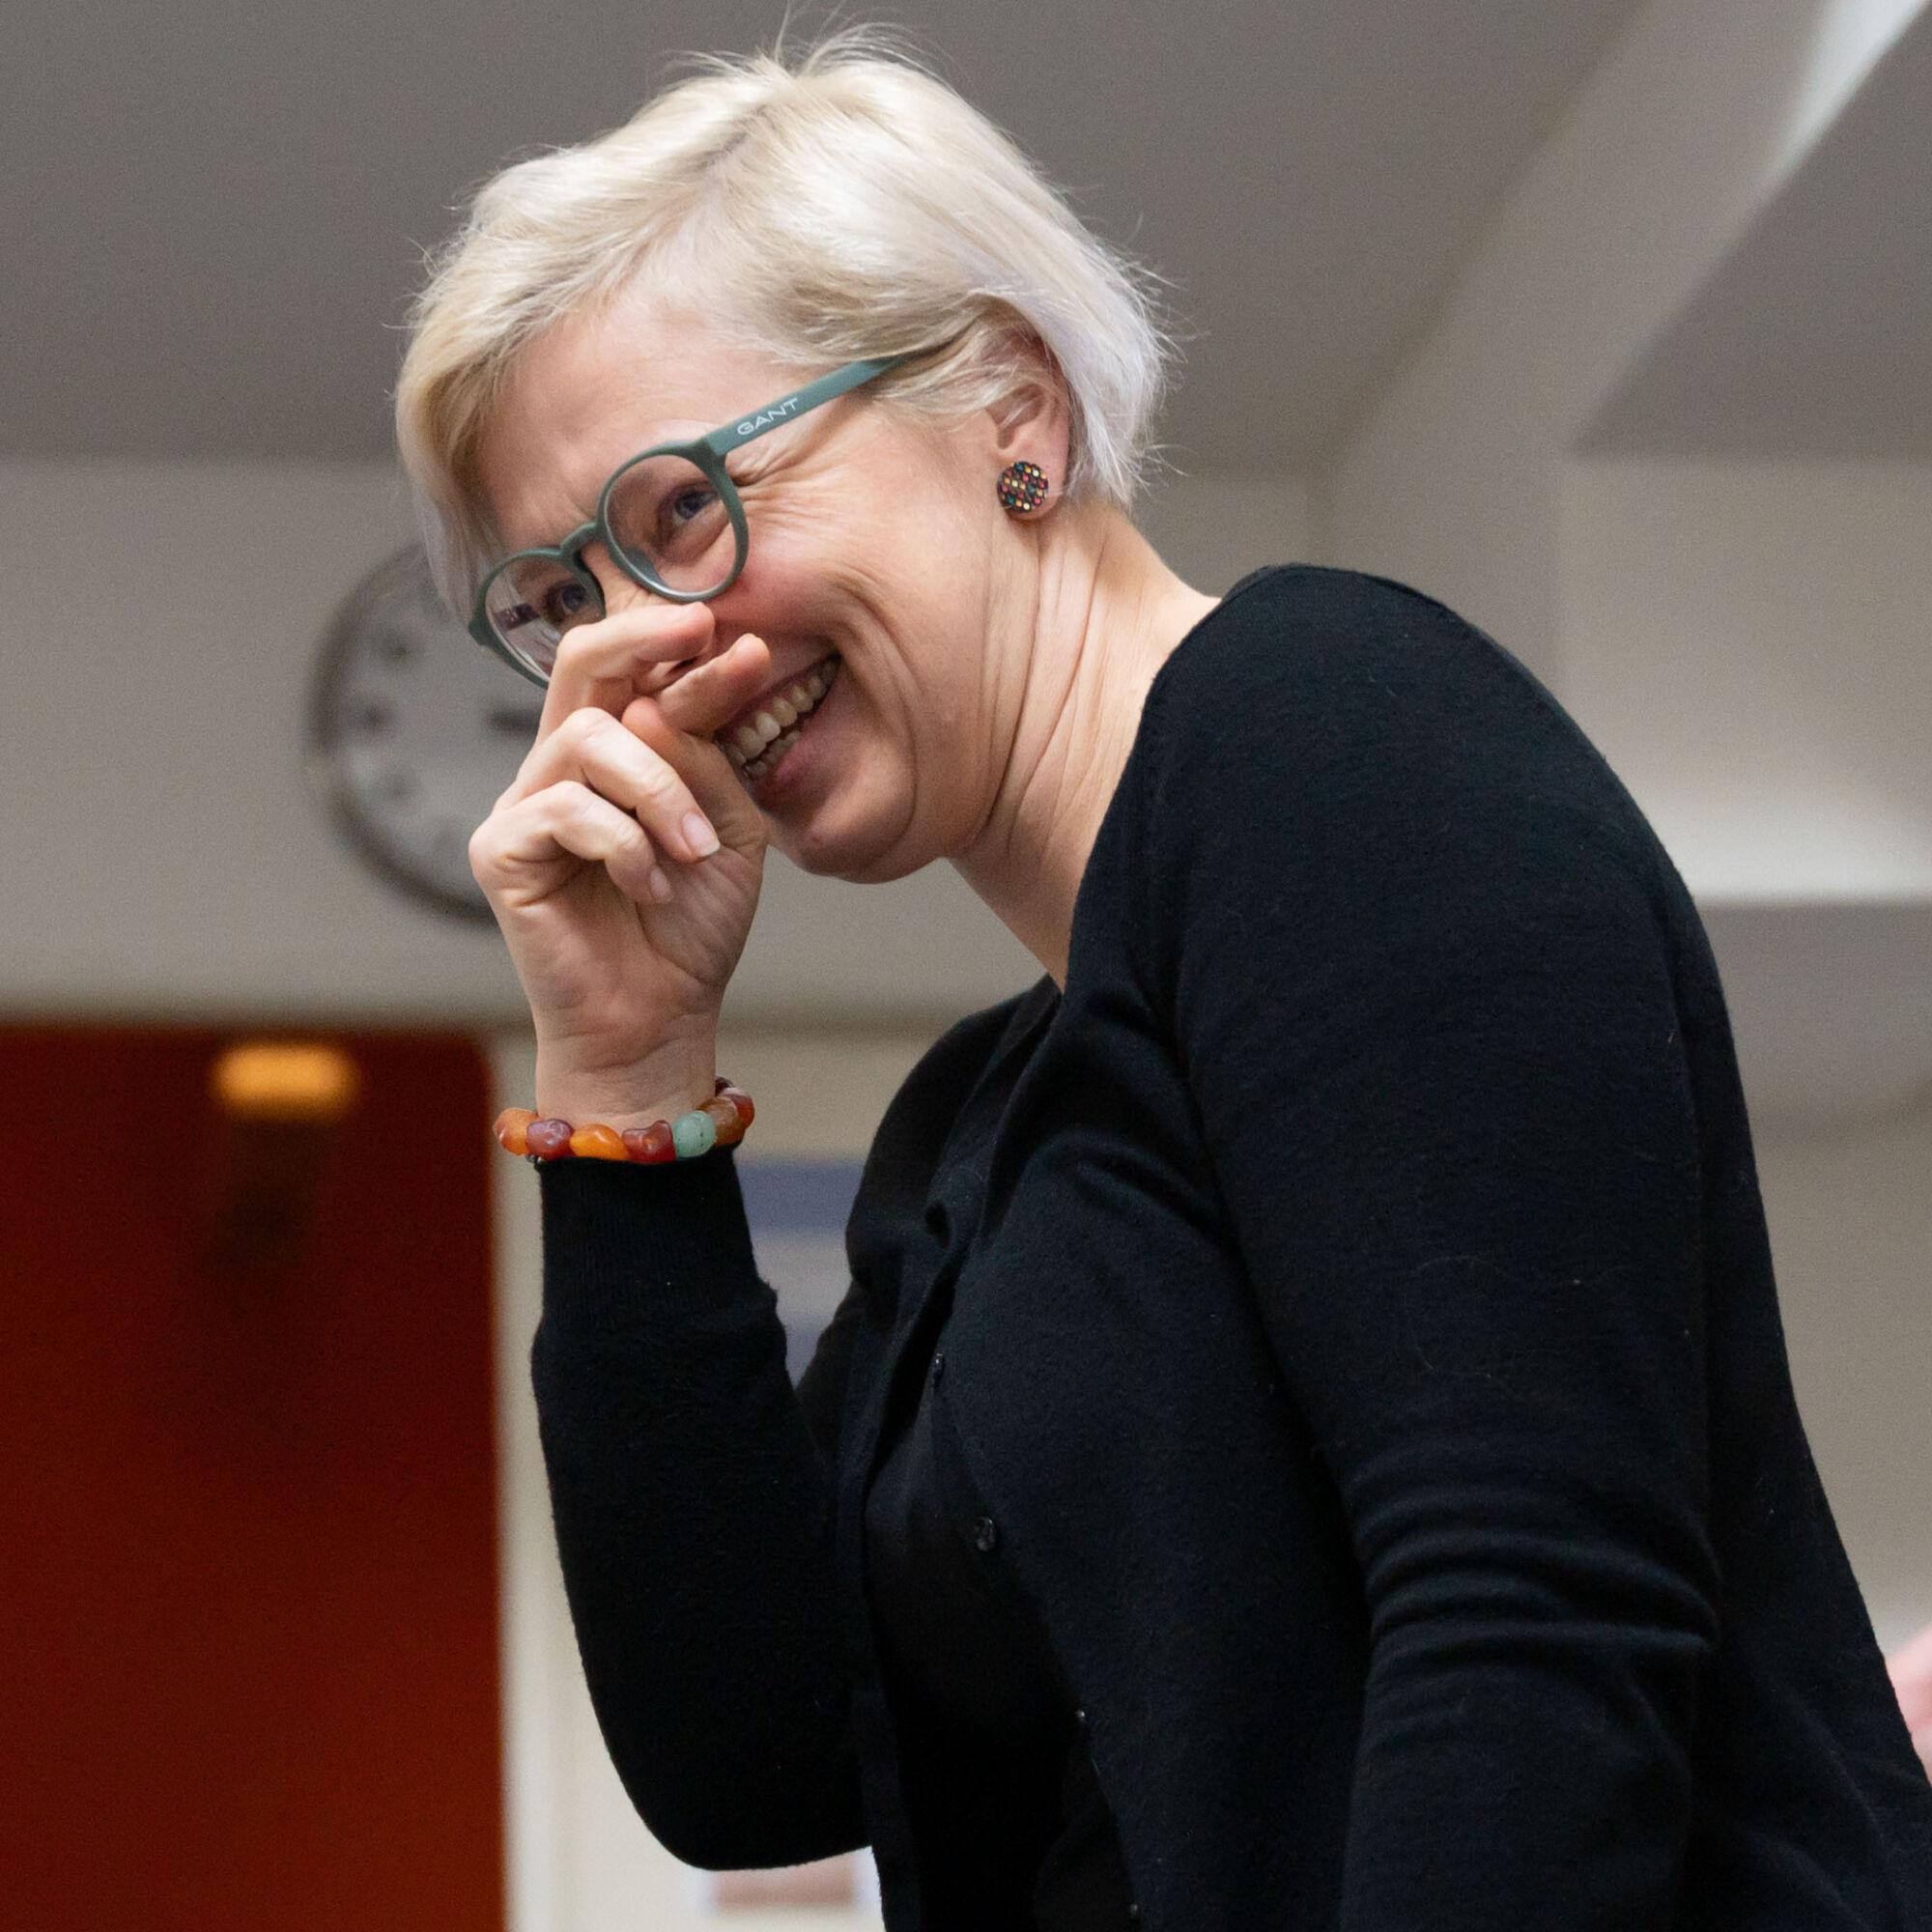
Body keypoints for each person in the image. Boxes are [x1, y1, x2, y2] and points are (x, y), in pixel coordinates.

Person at [396, 37, 1932, 1930]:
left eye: (682, 512)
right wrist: (627, 1071)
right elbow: (756, 1755)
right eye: (564, 597)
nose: (640, 652)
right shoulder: (980, 1126)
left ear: (1013, 407)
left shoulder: (1327, 743)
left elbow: (1535, 1633)